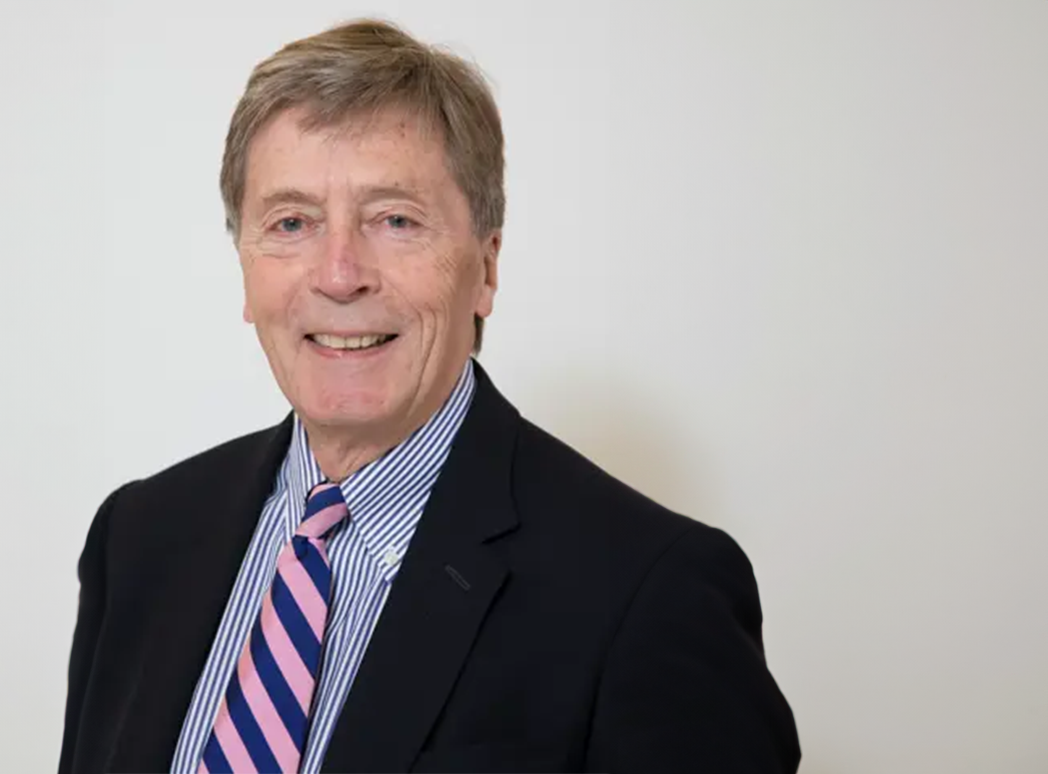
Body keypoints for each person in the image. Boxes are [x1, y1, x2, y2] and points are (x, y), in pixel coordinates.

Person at [58, 18, 799, 774]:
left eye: (395, 219)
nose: (339, 275)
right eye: (292, 222)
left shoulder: (652, 592)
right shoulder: (140, 539)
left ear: (486, 267)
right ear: (246, 265)